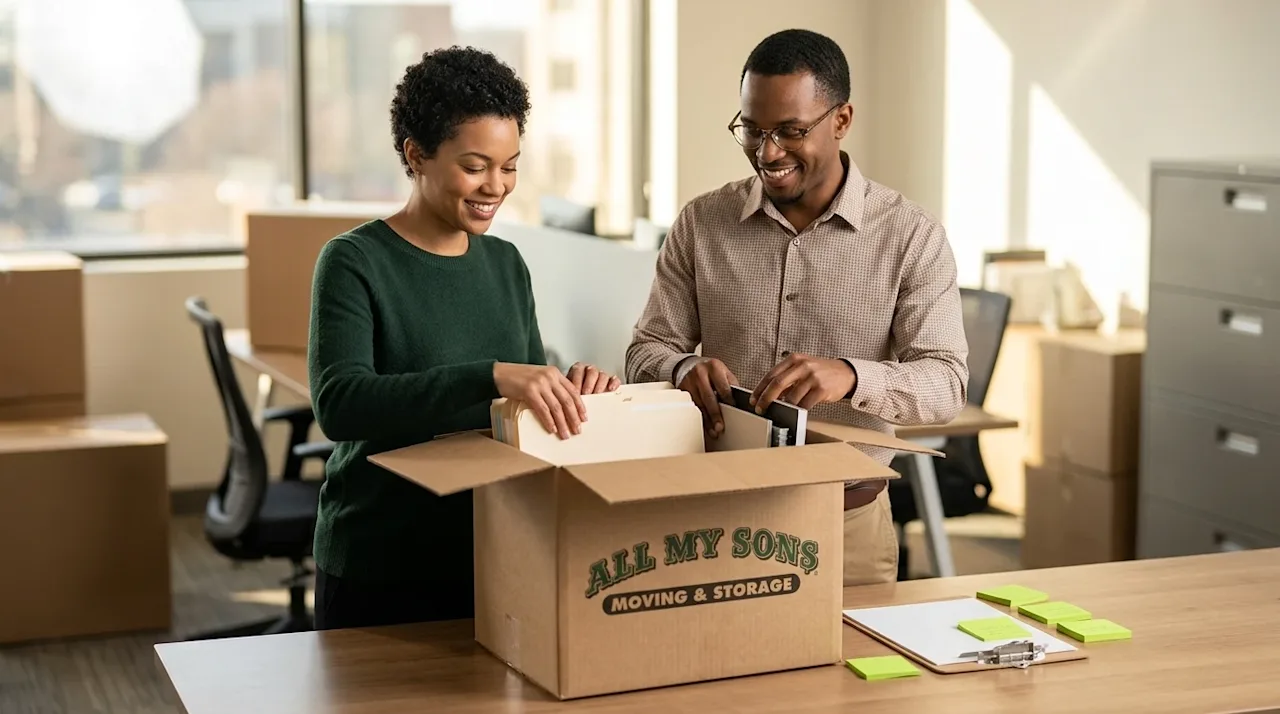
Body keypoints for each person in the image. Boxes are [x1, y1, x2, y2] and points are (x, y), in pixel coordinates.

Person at [625, 29, 968, 586]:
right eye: (752, 130)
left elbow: (947, 384)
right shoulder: (701, 223)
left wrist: (854, 376)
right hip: (715, 522)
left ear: (842, 119)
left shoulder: (911, 236)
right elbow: (645, 351)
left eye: (789, 131)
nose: (767, 152)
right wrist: (684, 368)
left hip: (847, 527)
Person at [308, 46, 620, 630]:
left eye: (510, 166)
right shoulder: (354, 261)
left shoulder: (506, 263)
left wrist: (573, 394)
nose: (496, 186)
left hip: (491, 552)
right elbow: (341, 406)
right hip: (379, 563)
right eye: (475, 166)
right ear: (416, 155)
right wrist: (490, 374)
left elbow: (519, 415)